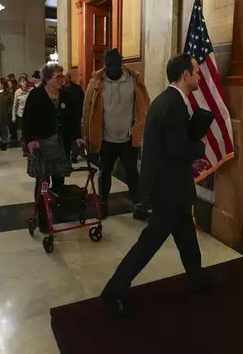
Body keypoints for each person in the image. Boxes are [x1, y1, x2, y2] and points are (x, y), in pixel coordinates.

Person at [99, 54, 216, 316]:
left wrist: (189, 163)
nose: (199, 77)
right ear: (185, 75)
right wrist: (200, 147)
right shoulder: (173, 104)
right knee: (147, 245)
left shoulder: (166, 100)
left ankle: (197, 279)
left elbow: (166, 148)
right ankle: (112, 292)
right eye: (196, 72)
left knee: (187, 238)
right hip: (169, 192)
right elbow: (176, 148)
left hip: (172, 186)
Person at [83, 49, 150, 220]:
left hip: (128, 137)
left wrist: (141, 128)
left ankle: (139, 206)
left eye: (113, 67)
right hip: (105, 139)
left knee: (132, 173)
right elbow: (87, 112)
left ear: (121, 64)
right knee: (104, 173)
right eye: (107, 67)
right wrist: (88, 139)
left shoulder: (134, 81)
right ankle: (103, 205)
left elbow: (143, 106)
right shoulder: (96, 82)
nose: (110, 71)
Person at [23, 63, 84, 233]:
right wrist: (30, 141)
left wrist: (77, 136)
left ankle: (57, 209)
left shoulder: (65, 96)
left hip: (61, 144)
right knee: (42, 182)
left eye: (62, 76)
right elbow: (27, 121)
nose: (62, 80)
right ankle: (42, 217)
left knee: (59, 179)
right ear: (47, 79)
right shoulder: (36, 95)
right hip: (42, 145)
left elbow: (73, 120)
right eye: (58, 77)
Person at [63, 71, 84, 163]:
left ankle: (74, 155)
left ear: (69, 78)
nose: (63, 79)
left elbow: (83, 102)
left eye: (64, 77)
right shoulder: (61, 90)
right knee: (67, 136)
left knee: (76, 135)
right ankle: (66, 155)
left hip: (76, 116)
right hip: (65, 117)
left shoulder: (77, 89)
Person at [12, 76, 32, 156]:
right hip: (21, 114)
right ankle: (25, 149)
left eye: (26, 81)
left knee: (30, 132)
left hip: (30, 114)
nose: (25, 83)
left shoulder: (31, 90)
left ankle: (31, 148)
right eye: (23, 81)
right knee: (23, 132)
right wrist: (13, 116)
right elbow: (15, 105)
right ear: (20, 83)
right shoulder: (17, 92)